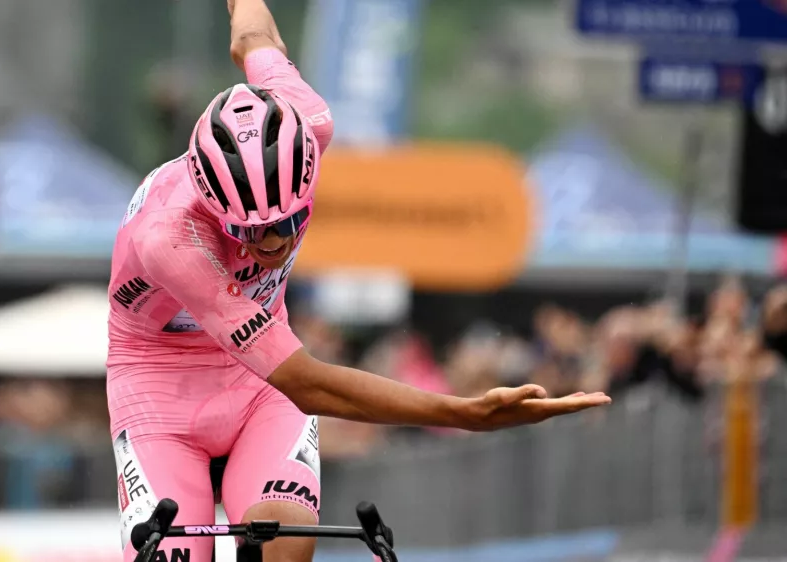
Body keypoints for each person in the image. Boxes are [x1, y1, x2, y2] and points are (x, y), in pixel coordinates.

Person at [106, 2, 611, 561]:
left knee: (286, 536)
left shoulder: (309, 121)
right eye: (247, 232)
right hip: (159, 385)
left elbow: (252, 34)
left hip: (257, 388)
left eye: (287, 222)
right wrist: (464, 413)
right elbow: (309, 383)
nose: (271, 244)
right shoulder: (170, 236)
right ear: (211, 204)